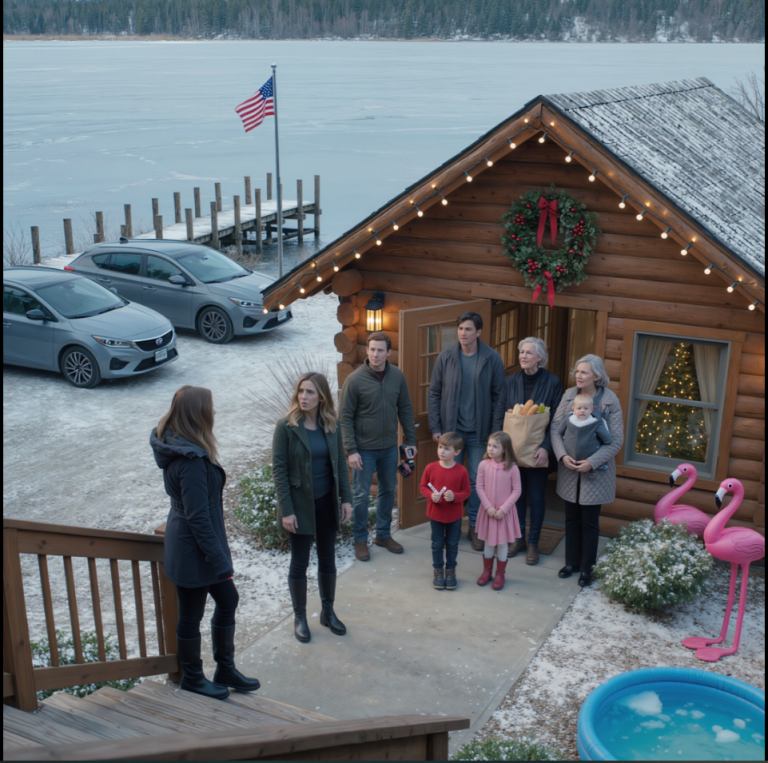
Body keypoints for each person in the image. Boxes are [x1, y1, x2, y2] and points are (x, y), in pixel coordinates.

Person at [150, 385, 259, 700]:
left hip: (195, 546)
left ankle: (224, 669)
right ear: (197, 414)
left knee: (227, 600)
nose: (214, 411)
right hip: (193, 551)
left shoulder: (182, 446)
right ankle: (193, 677)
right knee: (191, 615)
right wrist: (220, 560)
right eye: (210, 407)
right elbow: (198, 517)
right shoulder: (191, 461)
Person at [272, 372, 353, 643]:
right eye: (301, 391)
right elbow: (279, 471)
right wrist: (287, 510)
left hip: (326, 501)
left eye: (310, 392)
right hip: (299, 506)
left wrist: (346, 499)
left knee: (328, 558)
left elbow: (339, 464)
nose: (303, 397)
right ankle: (300, 617)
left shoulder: (331, 424)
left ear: (321, 397)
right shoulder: (286, 426)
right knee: (300, 561)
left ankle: (328, 612)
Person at [428, 311, 505, 552]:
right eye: (460, 329)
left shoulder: (491, 358)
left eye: (468, 329)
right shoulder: (446, 357)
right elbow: (434, 393)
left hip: (480, 433)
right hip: (453, 432)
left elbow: (499, 397)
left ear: (478, 332)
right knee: (448, 478)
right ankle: (449, 526)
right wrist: (436, 427)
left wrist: (495, 432)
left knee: (475, 480)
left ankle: (474, 526)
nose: (463, 333)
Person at [339, 332, 417, 562]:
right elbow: (345, 417)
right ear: (367, 351)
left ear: (388, 352)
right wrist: (351, 450)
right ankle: (360, 540)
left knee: (388, 490)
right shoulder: (355, 380)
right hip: (363, 449)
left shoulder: (397, 377)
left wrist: (411, 441)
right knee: (361, 495)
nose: (375, 354)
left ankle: (383, 535)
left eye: (380, 350)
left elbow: (405, 409)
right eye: (372, 349)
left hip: (389, 447)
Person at [551, 355, 624, 587]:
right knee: (571, 519)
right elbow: (556, 429)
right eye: (577, 371)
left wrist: (591, 462)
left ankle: (586, 569)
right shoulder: (569, 395)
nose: (578, 375)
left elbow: (615, 441)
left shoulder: (609, 401)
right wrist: (563, 456)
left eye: (583, 372)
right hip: (569, 470)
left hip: (596, 473)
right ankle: (571, 563)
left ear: (596, 376)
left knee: (589, 523)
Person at [492, 337, 563, 566]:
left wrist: (546, 448)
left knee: (537, 496)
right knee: (517, 496)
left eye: (528, 353)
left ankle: (533, 543)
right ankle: (519, 539)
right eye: (521, 352)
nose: (523, 356)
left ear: (540, 357)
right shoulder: (509, 381)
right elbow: (499, 413)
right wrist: (497, 446)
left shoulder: (553, 382)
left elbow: (557, 420)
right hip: (512, 451)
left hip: (537, 452)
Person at [418, 432, 471, 591]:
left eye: (447, 449)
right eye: (440, 447)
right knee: (437, 544)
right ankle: (438, 571)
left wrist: (455, 496)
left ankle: (451, 571)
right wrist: (430, 495)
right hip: (436, 515)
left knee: (452, 544)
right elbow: (423, 487)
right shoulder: (430, 468)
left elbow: (467, 491)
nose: (442, 451)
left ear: (457, 452)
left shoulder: (461, 471)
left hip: (454, 516)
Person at [475, 431, 522, 591]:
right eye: (489, 445)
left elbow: (517, 490)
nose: (491, 449)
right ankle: (487, 571)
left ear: (505, 449)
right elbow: (479, 486)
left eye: (495, 446)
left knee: (502, 543)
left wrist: (503, 509)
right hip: (488, 511)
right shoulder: (483, 465)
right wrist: (488, 506)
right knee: (488, 542)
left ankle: (500, 574)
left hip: (503, 513)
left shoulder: (512, 468)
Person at [555, 393, 612, 469]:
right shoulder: (568, 420)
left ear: (591, 410)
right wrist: (563, 454)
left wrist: (593, 461)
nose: (582, 411)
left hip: (589, 460)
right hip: (569, 459)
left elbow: (607, 440)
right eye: (579, 408)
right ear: (573, 409)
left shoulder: (596, 422)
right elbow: (558, 433)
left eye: (586, 408)